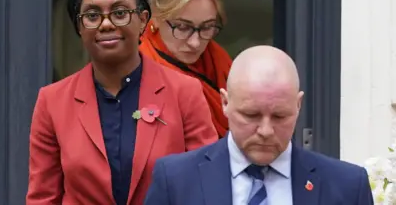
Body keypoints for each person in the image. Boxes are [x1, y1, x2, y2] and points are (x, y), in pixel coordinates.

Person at [25, 0, 218, 205]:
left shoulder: (184, 92)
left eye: (119, 13)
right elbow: (43, 198)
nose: (106, 24)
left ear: (143, 21)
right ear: (79, 27)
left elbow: (207, 187)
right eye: (92, 16)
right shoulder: (52, 101)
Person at [144, 45, 373, 205]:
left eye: (280, 116)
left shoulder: (347, 187)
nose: (265, 131)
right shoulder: (176, 179)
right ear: (225, 102)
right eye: (251, 115)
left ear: (298, 105)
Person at [139, 0, 232, 138]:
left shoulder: (220, 60)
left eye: (207, 27)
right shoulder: (135, 69)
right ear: (155, 16)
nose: (195, 42)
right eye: (182, 27)